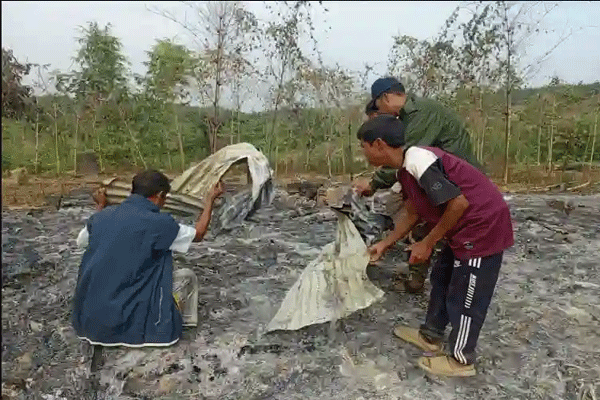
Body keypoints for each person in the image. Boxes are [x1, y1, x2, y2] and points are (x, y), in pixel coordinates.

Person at [357, 115, 513, 377]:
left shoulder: (420, 160)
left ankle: (461, 360)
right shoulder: (404, 171)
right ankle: (431, 335)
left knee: (467, 292)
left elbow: (459, 203)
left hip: (481, 227)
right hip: (459, 229)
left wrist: (427, 243)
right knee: (442, 277)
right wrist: (385, 243)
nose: (363, 152)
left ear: (379, 144)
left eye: (364, 145)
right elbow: (413, 212)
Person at [354, 77, 481, 293]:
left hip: (458, 187)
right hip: (443, 183)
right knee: (422, 222)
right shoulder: (413, 116)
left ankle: (451, 289)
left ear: (385, 98)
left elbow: (401, 154)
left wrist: (374, 183)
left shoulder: (421, 116)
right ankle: (421, 281)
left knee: (443, 235)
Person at [73, 170, 224, 347]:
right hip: (133, 324)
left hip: (91, 321)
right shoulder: (159, 223)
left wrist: (101, 207)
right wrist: (209, 201)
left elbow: (81, 241)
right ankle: (181, 322)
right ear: (160, 195)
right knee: (187, 276)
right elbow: (198, 234)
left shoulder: (99, 218)